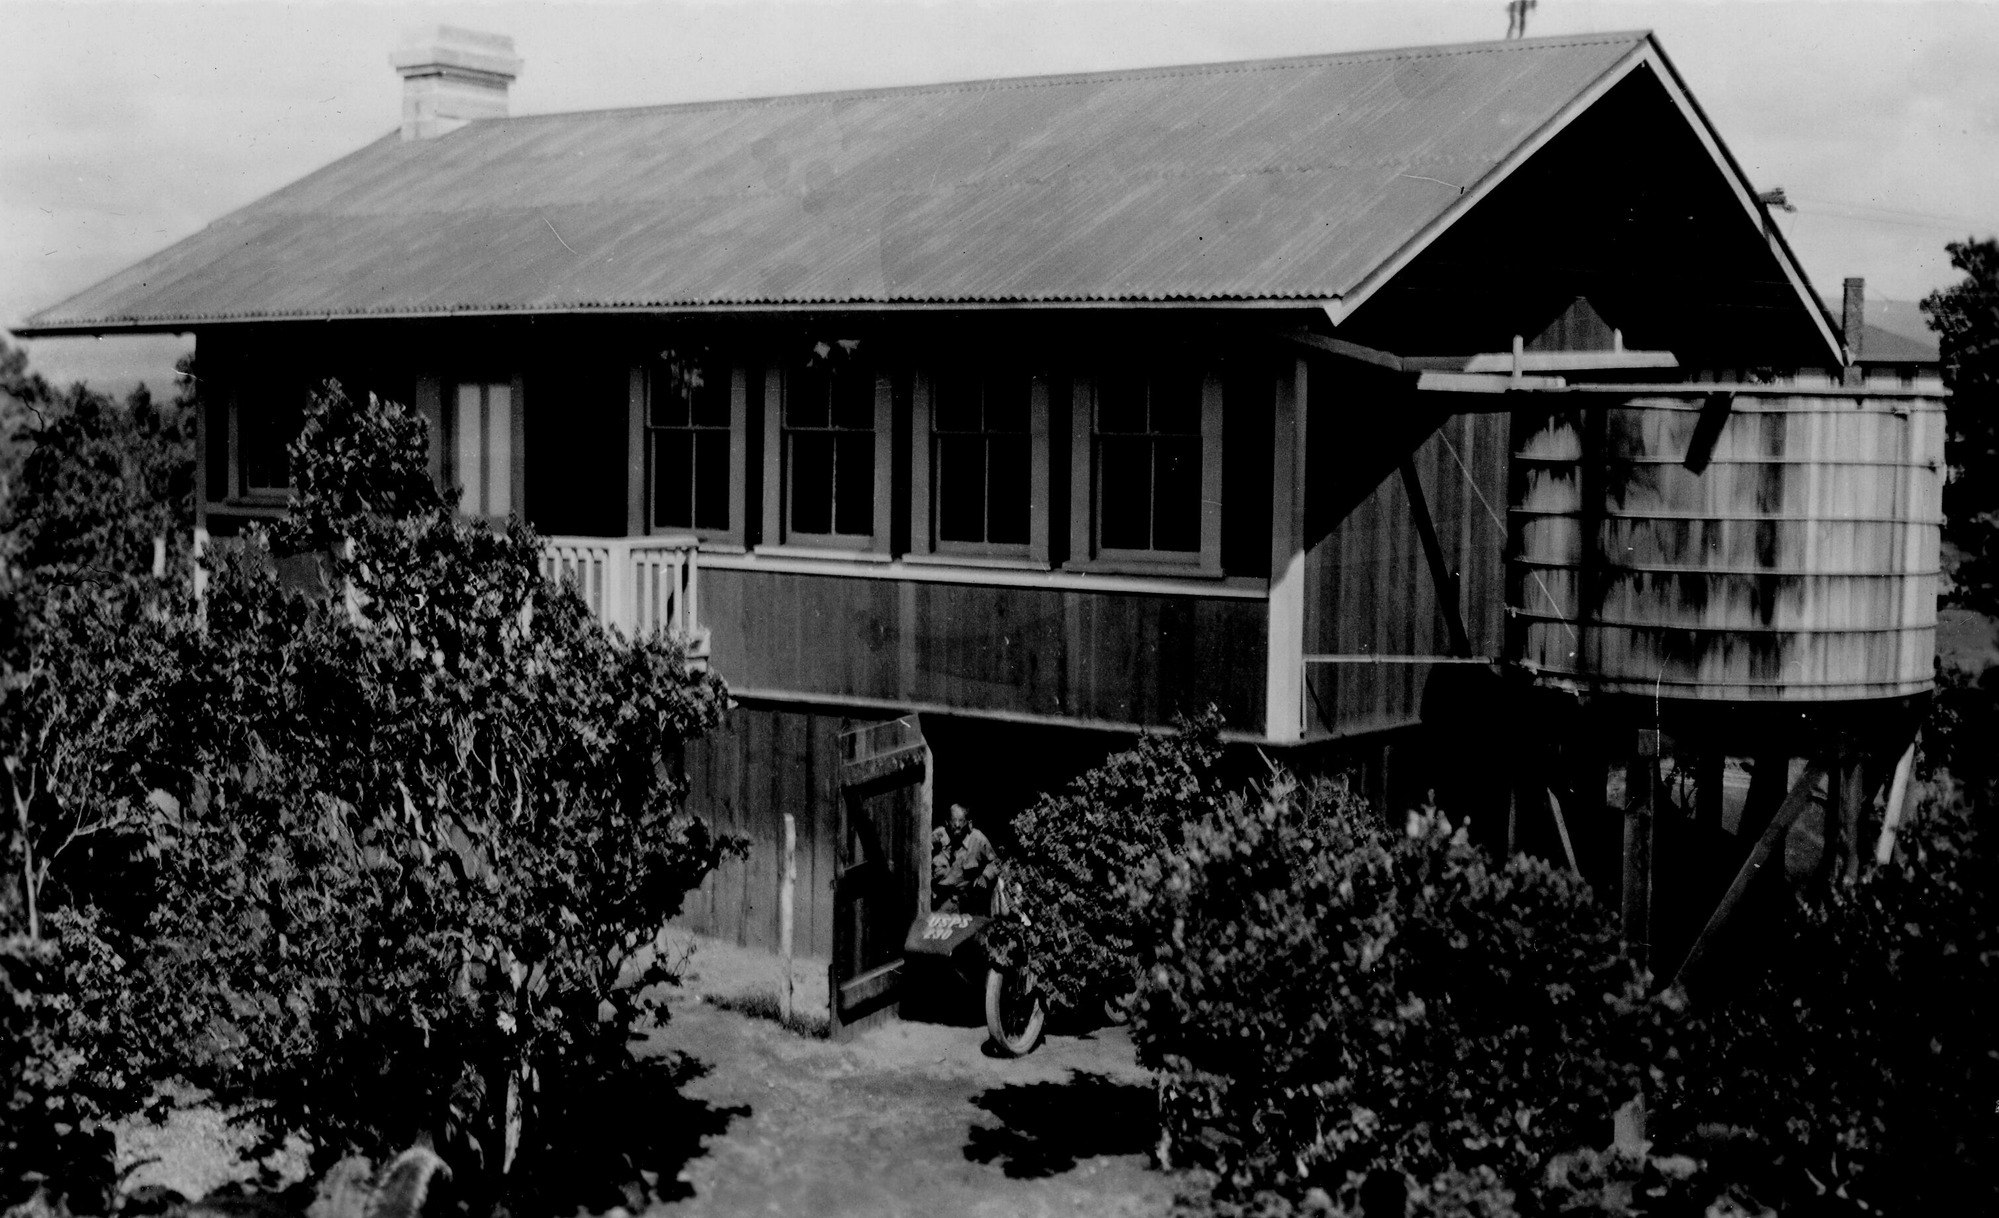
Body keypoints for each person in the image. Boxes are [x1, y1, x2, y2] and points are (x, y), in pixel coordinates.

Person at [931, 802, 996, 914]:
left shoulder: (977, 839)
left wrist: (985, 876)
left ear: (969, 823)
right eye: (953, 820)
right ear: (947, 822)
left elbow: (994, 863)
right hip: (937, 902)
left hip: (965, 903)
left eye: (961, 821)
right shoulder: (937, 837)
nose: (957, 824)